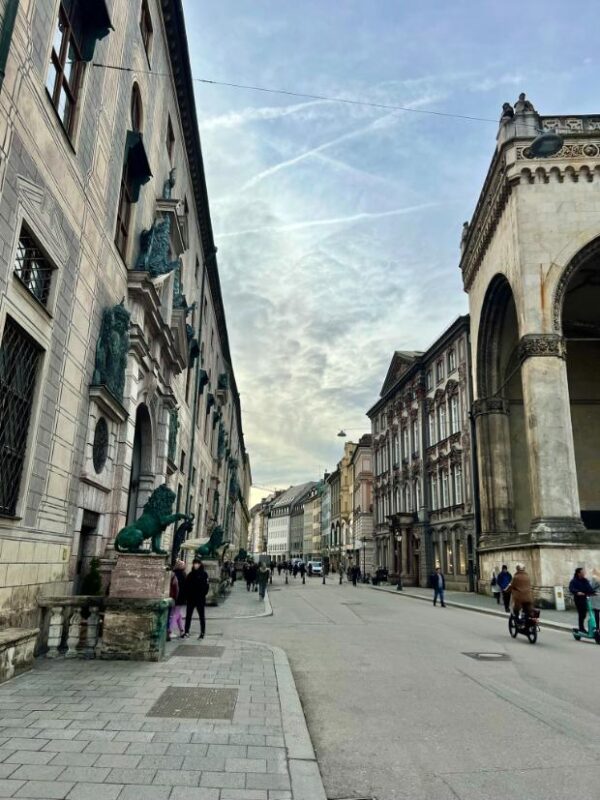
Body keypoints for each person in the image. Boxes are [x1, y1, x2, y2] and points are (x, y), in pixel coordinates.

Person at [183, 557, 209, 639]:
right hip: (191, 598)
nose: (195, 565)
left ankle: (202, 632)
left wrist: (202, 594)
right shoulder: (190, 574)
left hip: (200, 598)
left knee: (201, 616)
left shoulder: (204, 574)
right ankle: (186, 631)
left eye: (197, 563)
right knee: (188, 616)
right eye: (194, 563)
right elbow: (186, 586)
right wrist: (187, 596)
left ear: (200, 564)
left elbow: (206, 586)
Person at [569, 567, 595, 633]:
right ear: (578, 573)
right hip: (578, 599)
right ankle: (581, 628)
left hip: (585, 598)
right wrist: (577, 592)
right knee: (582, 613)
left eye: (584, 572)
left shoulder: (585, 580)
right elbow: (571, 588)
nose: (584, 573)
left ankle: (593, 627)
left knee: (588, 613)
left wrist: (593, 592)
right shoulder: (574, 581)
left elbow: (589, 588)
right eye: (583, 572)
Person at [170, 559, 186, 639]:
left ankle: (182, 631)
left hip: (172, 596)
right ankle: (170, 631)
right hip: (180, 597)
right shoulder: (183, 575)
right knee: (176, 614)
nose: (184, 566)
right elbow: (185, 587)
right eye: (183, 565)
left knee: (178, 614)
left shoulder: (172, 574)